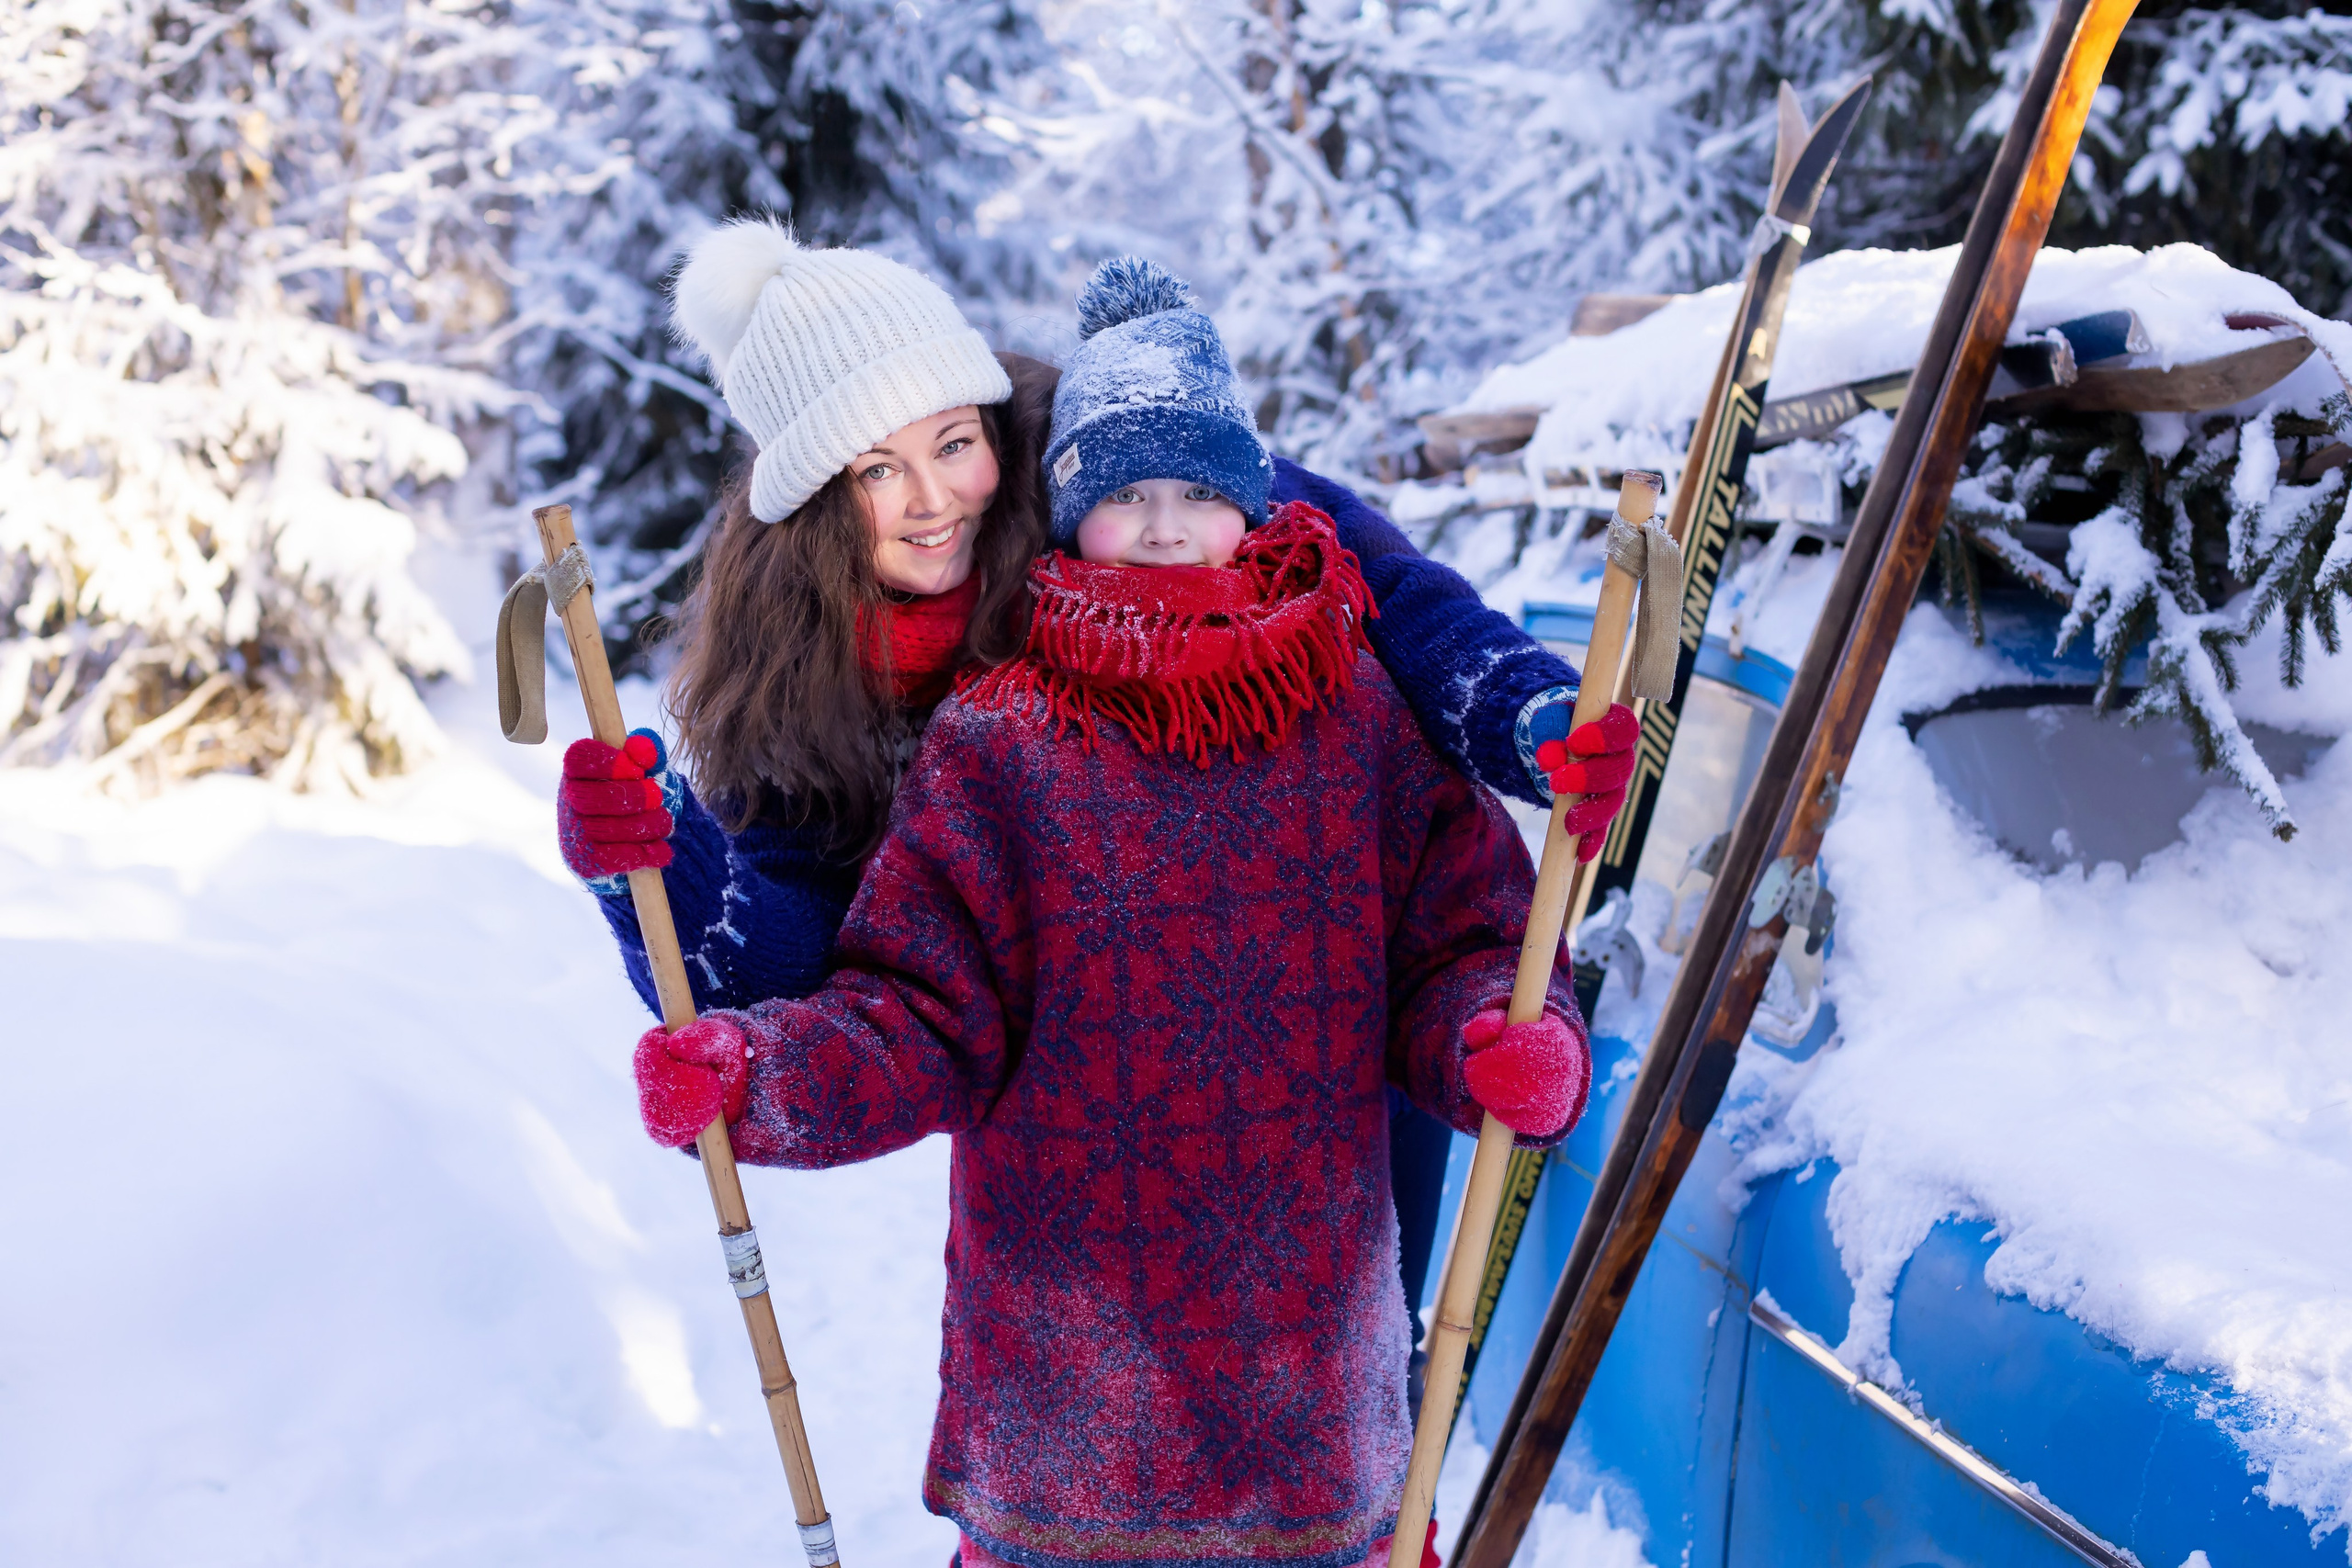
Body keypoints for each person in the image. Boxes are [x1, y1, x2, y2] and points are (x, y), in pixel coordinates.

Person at [629, 256, 1593, 1568]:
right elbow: (909, 1006)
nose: (1164, 524)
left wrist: (1497, 1019)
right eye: (1128, 496)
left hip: (1308, 1388)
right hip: (1064, 1413)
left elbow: (1468, 935)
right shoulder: (991, 740)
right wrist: (755, 1075)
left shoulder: (1350, 700)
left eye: (1199, 496)